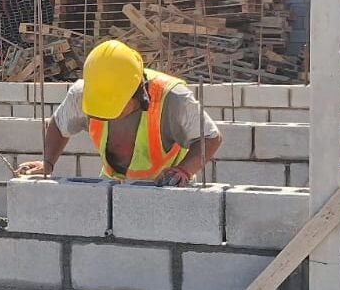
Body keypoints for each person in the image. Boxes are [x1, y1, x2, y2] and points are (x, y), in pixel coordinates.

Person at [15, 40, 222, 186]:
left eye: (114, 107)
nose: (107, 116)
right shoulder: (83, 94)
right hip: (113, 188)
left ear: (139, 93)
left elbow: (211, 138)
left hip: (167, 191)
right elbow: (59, 125)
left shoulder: (173, 99)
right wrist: (48, 163)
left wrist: (184, 170)